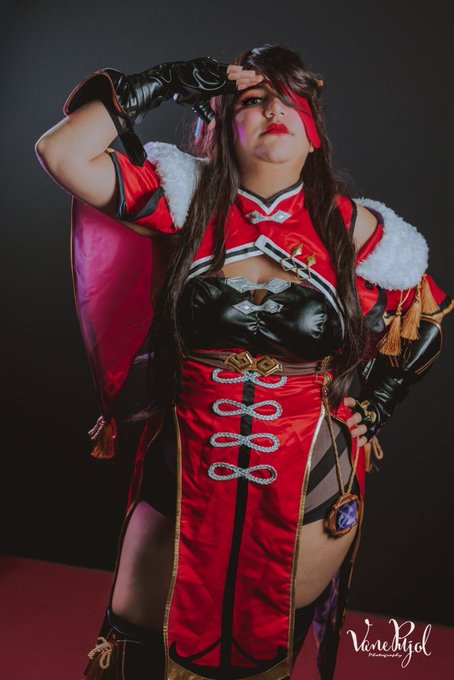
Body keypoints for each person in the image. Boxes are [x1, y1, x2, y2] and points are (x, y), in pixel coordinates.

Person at [35, 44, 452, 680]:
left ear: (314, 133)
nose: (275, 111)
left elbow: (427, 318)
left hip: (309, 480)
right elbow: (62, 152)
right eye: (254, 101)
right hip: (184, 470)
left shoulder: (355, 231)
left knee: (260, 660)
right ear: (222, 125)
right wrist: (166, 80)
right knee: (135, 653)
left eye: (291, 101)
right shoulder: (182, 198)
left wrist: (377, 402)